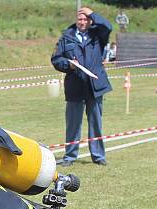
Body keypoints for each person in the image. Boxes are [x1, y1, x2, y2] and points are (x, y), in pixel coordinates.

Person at [51, 6, 112, 166]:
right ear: (76, 20)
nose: (82, 21)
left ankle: (98, 156)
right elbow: (56, 59)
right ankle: (70, 156)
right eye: (80, 19)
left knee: (96, 123)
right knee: (73, 124)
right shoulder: (66, 37)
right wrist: (68, 65)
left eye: (86, 19)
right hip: (75, 87)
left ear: (90, 20)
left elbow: (108, 26)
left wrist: (91, 12)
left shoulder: (98, 34)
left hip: (95, 87)